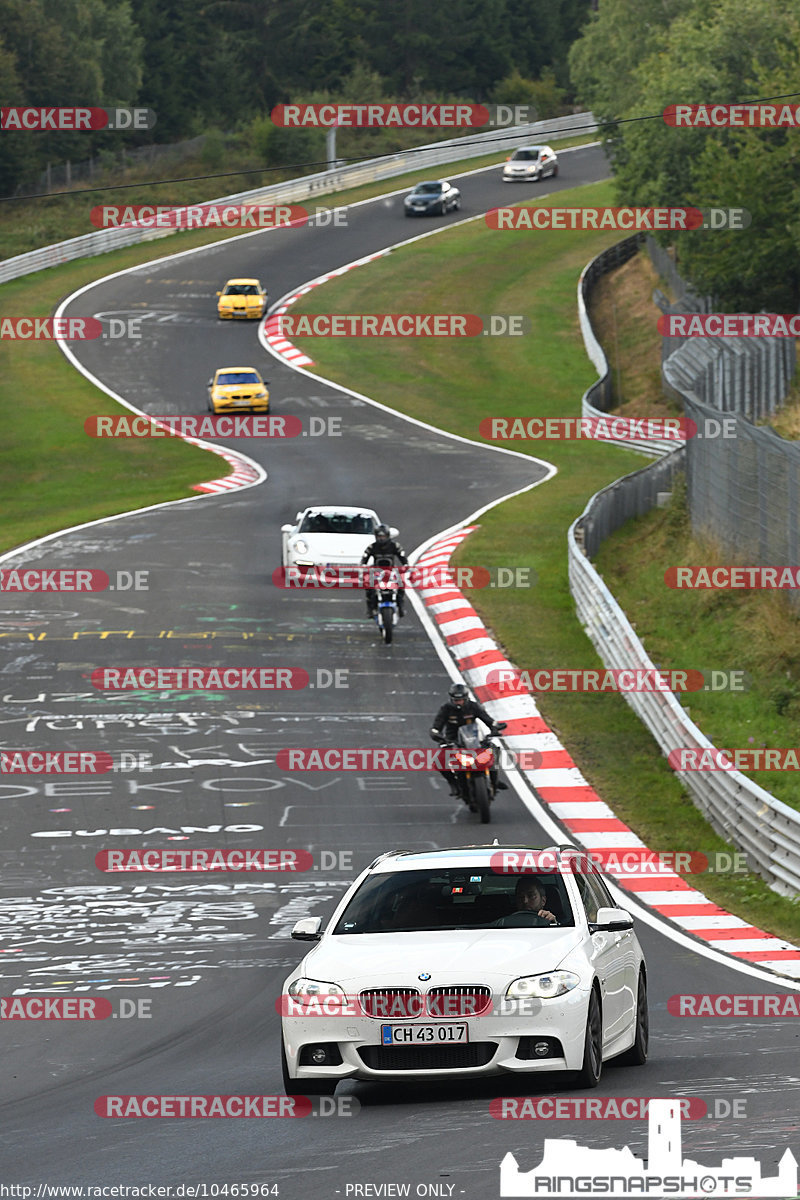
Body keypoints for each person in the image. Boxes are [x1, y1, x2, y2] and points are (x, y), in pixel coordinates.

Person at [430, 682, 507, 799]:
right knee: (439, 761)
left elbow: (487, 719)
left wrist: (494, 727)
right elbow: (437, 725)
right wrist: (436, 734)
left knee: (494, 750)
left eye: (461, 700)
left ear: (466, 698)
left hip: (474, 739)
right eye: (456, 700)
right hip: (453, 740)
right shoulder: (445, 709)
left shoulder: (473, 707)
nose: (458, 702)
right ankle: (454, 784)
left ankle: (494, 780)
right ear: (451, 698)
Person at [362, 524, 407, 618]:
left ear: (387, 536)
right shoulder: (372, 547)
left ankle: (401, 606)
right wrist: (364, 566)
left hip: (391, 570)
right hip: (376, 571)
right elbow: (364, 558)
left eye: (383, 536)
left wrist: (405, 565)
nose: (381, 539)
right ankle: (370, 609)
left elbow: (402, 557)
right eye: (379, 536)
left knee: (401, 584)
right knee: (369, 586)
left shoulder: (395, 546)